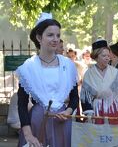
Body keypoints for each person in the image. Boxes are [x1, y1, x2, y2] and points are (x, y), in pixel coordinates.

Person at [16, 12, 79, 147]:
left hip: (62, 123)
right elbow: (21, 103)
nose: (55, 39)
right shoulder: (28, 67)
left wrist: (67, 112)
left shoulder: (68, 65)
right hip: (36, 122)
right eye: (50, 35)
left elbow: (74, 98)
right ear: (39, 37)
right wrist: (28, 135)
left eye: (58, 35)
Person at [80, 39, 118, 124]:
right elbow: (85, 97)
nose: (107, 58)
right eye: (104, 56)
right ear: (96, 56)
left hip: (114, 109)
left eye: (108, 56)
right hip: (97, 110)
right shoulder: (89, 73)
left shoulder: (116, 73)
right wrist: (89, 111)